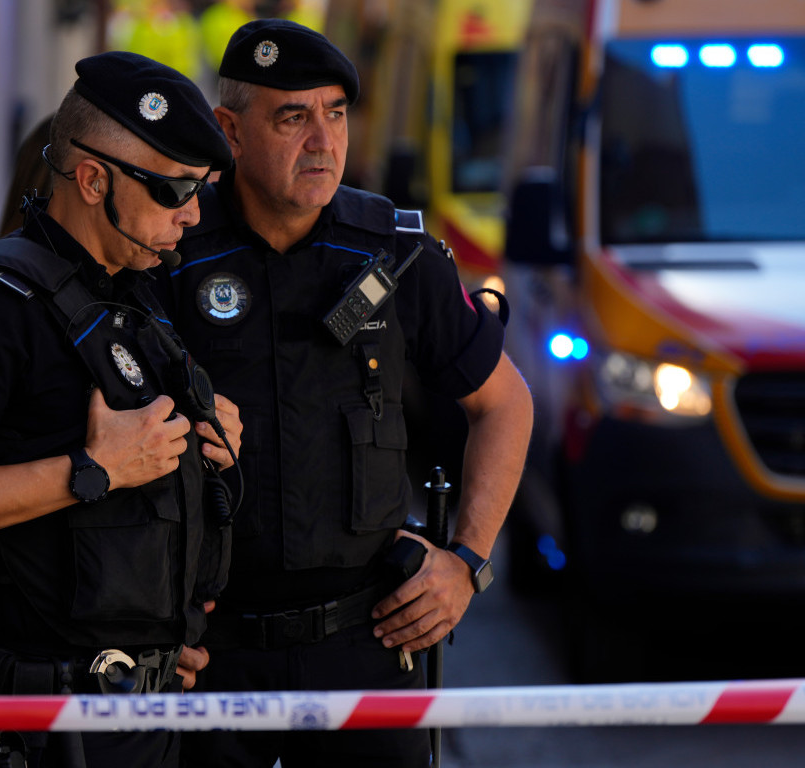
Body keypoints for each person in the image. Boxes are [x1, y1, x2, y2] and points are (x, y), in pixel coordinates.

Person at [152, 20, 534, 768]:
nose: (323, 141)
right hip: (209, 654)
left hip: (365, 652)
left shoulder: (393, 256)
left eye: (335, 113)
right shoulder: (170, 252)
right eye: (293, 117)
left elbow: (504, 403)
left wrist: (467, 563)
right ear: (229, 130)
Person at [0, 51, 241, 768]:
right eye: (174, 190)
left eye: (201, 189)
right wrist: (91, 469)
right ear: (94, 179)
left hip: (140, 717)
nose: (192, 215)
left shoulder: (129, 292)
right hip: (39, 731)